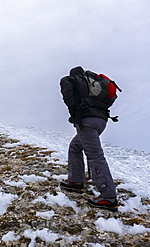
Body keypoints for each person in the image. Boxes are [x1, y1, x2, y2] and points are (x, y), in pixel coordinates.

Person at [59, 66, 118, 212]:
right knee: (75, 146)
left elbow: (67, 94)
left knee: (94, 155)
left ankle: (108, 196)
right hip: (101, 121)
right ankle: (75, 181)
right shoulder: (94, 84)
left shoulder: (70, 80)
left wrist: (75, 113)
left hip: (87, 121)